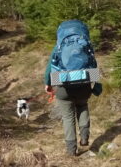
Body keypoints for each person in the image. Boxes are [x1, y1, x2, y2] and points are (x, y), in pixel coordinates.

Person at [44, 20, 102, 156]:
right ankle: (84, 138)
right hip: (84, 83)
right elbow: (94, 64)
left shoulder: (59, 46)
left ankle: (71, 151)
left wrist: (48, 84)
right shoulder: (85, 44)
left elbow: (49, 67)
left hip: (63, 85)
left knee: (68, 117)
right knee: (82, 106)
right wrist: (95, 82)